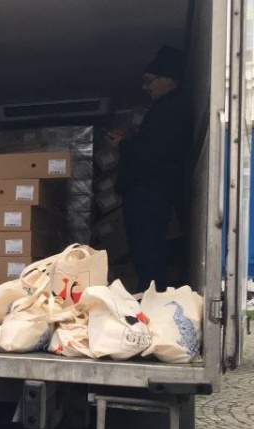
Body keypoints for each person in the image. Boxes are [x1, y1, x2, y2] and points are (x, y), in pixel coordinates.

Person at [106, 45, 193, 291]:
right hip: (151, 195)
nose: (146, 87)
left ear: (168, 79)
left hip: (150, 197)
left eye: (149, 81)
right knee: (146, 252)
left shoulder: (171, 110)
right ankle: (151, 295)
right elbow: (153, 146)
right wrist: (130, 139)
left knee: (148, 252)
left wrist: (123, 144)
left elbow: (152, 153)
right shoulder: (168, 108)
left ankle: (151, 299)